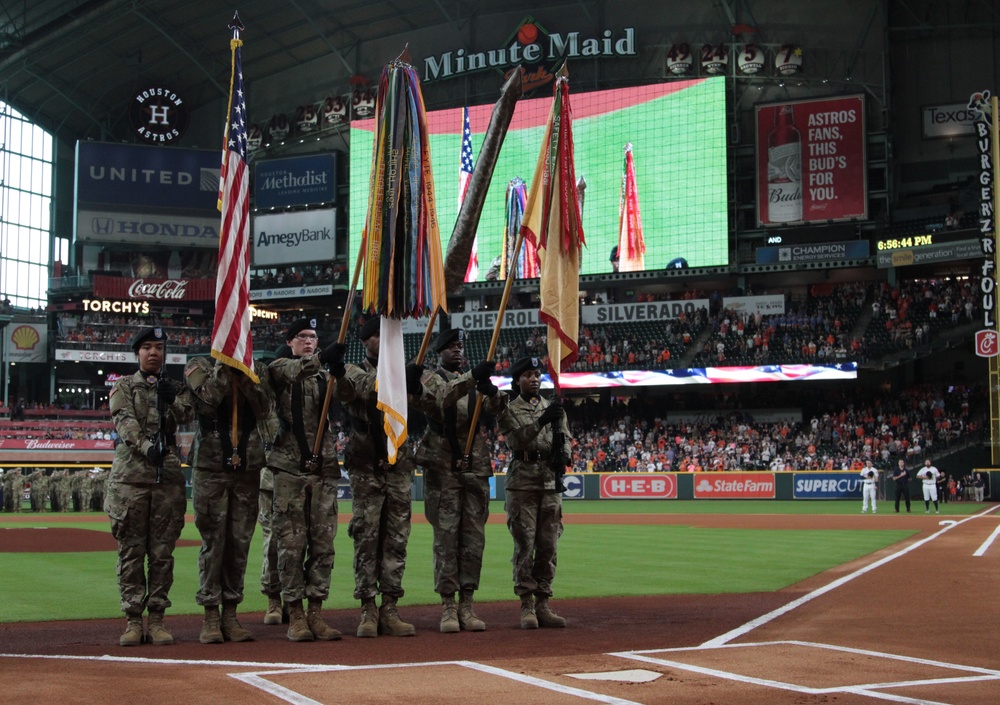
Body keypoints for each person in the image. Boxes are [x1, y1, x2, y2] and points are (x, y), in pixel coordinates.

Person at [333, 316, 423, 638]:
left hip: (397, 464)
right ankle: (368, 608)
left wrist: (415, 385)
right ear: (365, 341)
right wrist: (400, 380)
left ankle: (390, 607)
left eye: (384, 336)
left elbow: (424, 404)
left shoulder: (402, 374)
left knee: (396, 538)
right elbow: (359, 390)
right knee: (367, 537)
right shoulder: (355, 371)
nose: (381, 341)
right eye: (375, 336)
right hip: (366, 465)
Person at [105, 327, 194, 646]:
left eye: (158, 347)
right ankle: (132, 620)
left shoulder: (174, 387)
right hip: (131, 478)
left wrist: (174, 402)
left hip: (166, 479)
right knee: (131, 551)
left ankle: (156, 619)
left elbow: (188, 414)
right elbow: (124, 420)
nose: (153, 352)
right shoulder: (124, 386)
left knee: (161, 553)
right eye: (147, 347)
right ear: (137, 353)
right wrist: (146, 446)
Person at [414, 327, 503, 632]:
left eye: (460, 346)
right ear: (438, 351)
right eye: (450, 347)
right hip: (443, 464)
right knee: (446, 538)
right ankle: (448, 606)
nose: (457, 351)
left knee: (473, 539)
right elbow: (442, 400)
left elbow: (497, 410)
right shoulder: (429, 378)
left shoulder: (473, 381)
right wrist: (473, 379)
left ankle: (467, 604)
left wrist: (493, 392)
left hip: (475, 464)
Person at [185, 356, 275, 644]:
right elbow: (209, 397)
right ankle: (211, 614)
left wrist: (246, 374)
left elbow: (264, 408)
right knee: (214, 542)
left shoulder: (257, 368)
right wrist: (226, 367)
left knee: (239, 543)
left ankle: (231, 613)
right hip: (210, 468)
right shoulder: (197, 366)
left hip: (247, 467)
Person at [266, 318, 344, 642]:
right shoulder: (280, 369)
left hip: (323, 470)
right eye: (302, 337)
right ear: (290, 341)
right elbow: (292, 370)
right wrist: (323, 358)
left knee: (323, 547)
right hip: (290, 471)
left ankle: (316, 613)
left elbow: (350, 397)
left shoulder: (325, 377)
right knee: (291, 547)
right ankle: (295, 615)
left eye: (314, 337)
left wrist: (338, 371)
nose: (309, 341)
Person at [497, 356, 572, 629]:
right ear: (518, 380)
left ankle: (543, 603)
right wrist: (542, 421)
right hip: (522, 483)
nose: (535, 379)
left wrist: (563, 455)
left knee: (549, 545)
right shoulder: (508, 407)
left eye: (537, 374)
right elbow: (516, 439)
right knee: (524, 544)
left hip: (550, 482)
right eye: (528, 374)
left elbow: (565, 438)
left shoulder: (552, 408)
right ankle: (526, 605)